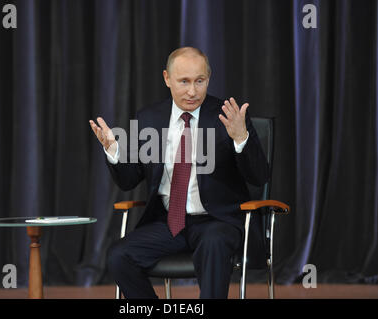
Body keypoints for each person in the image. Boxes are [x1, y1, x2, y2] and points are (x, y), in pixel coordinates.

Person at [89, 47, 269, 299]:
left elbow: (258, 177)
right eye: (184, 81)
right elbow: (130, 180)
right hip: (169, 223)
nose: (192, 91)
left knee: (214, 244)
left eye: (200, 81)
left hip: (216, 221)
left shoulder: (228, 117)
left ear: (208, 78)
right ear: (167, 78)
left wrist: (241, 139)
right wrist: (114, 152)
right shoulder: (149, 118)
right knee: (119, 255)